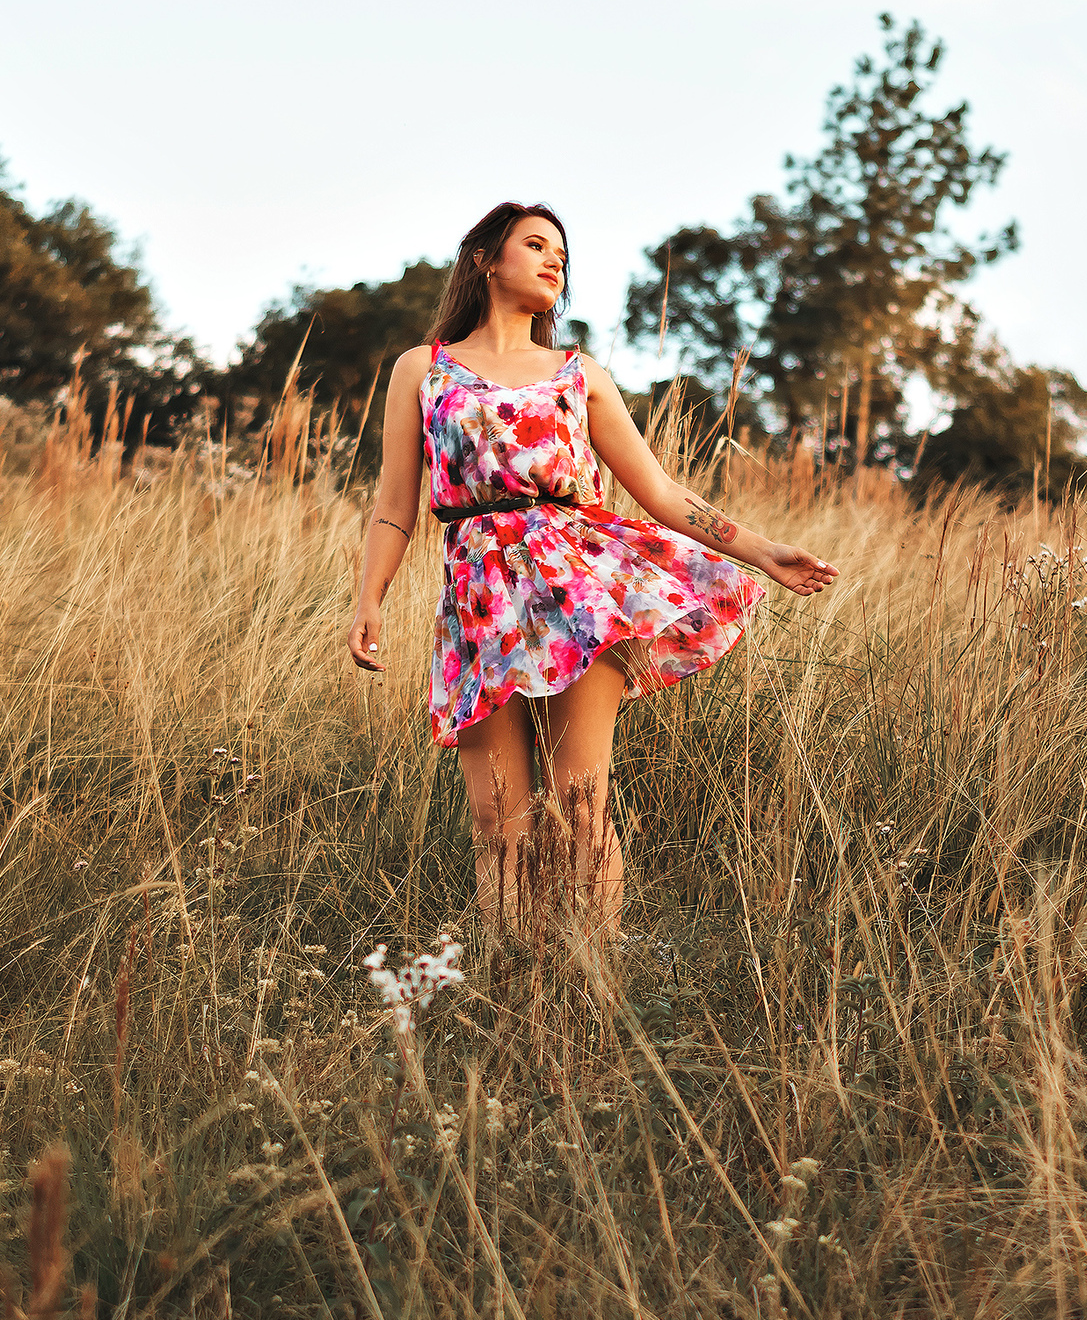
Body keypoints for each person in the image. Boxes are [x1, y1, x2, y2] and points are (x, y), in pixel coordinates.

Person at [347, 202, 838, 935]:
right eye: (535, 245)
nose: (555, 261)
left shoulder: (579, 375)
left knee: (579, 803)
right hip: (480, 601)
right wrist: (370, 598)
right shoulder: (423, 369)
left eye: (562, 254)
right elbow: (395, 505)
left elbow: (661, 491)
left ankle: (596, 979)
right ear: (485, 259)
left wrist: (763, 551)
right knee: (496, 817)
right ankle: (515, 977)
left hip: (580, 593)